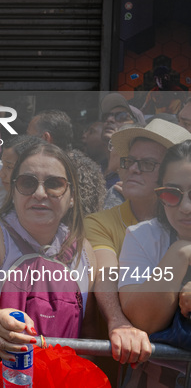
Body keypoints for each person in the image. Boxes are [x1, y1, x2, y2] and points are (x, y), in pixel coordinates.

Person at [0, 143, 96, 388]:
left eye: (54, 184)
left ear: (72, 196)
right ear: (13, 191)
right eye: (27, 183)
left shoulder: (84, 251)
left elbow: (90, 330)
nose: (40, 193)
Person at [84, 119, 191, 382]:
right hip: (133, 364)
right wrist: (180, 252)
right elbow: (106, 274)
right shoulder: (127, 230)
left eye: (146, 164)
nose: (132, 169)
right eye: (128, 161)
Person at [118, 140, 191, 386]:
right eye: (172, 194)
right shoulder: (143, 236)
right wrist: (180, 253)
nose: (185, 208)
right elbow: (144, 320)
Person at [99, 93, 145, 188]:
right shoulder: (98, 166)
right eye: (106, 116)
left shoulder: (135, 176)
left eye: (121, 116)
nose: (109, 120)